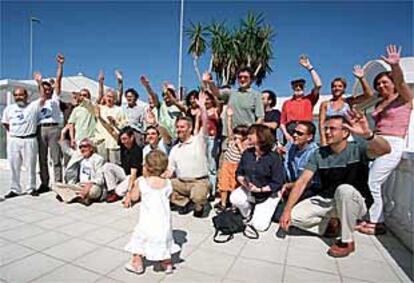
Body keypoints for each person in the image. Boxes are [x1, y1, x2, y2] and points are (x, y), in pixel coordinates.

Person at [279, 110, 391, 257]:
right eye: (325, 128)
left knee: (344, 190)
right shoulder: (319, 153)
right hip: (328, 200)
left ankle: (347, 241)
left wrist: (368, 135)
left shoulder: (358, 149)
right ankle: (331, 225)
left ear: (345, 133)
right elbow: (302, 182)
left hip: (355, 201)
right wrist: (287, 211)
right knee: (293, 217)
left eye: (332, 129)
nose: (327, 132)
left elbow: (385, 150)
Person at [357, 45, 413, 235]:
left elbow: (401, 81)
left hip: (393, 144)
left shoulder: (404, 98)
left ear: (392, 82)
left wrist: (395, 66)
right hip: (377, 143)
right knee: (372, 181)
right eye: (378, 84)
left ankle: (377, 224)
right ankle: (372, 217)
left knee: (374, 182)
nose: (381, 86)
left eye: (384, 82)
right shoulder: (381, 103)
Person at [124, 150, 180, 275]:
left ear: (147, 167)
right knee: (163, 242)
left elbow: (134, 197)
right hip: (163, 222)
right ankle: (167, 264)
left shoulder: (142, 182)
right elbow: (170, 198)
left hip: (147, 222)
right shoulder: (168, 183)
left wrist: (131, 189)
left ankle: (137, 264)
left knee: (138, 240)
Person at [230, 124, 285, 232]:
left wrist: (260, 189)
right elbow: (239, 173)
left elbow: (277, 182)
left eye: (252, 133)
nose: (248, 135)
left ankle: (270, 208)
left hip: (268, 193)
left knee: (259, 226)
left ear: (261, 137)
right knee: (235, 198)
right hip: (250, 189)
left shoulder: (273, 158)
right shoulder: (247, 153)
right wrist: (245, 183)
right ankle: (248, 213)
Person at [165, 92, 210, 218]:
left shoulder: (199, 140)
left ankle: (198, 205)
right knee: (164, 185)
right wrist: (159, 178)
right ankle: (183, 202)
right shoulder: (174, 149)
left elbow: (205, 123)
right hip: (181, 182)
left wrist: (203, 108)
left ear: (190, 128)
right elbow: (170, 170)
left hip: (199, 182)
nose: (179, 129)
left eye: (182, 127)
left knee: (198, 196)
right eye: (177, 127)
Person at [2, 83, 46, 198]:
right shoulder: (9, 109)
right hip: (14, 140)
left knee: (31, 165)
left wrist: (39, 82)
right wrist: (16, 133)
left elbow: (43, 96)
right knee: (14, 166)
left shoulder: (33, 106)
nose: (18, 97)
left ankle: (31, 188)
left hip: (29, 140)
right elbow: (6, 124)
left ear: (26, 96)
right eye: (16, 95)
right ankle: (15, 189)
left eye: (21, 95)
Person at [318, 66, 372, 146]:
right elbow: (321, 123)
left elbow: (369, 95)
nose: (336, 88)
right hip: (330, 136)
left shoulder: (349, 101)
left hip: (346, 137)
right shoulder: (325, 104)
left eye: (340, 86)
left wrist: (361, 78)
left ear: (344, 89)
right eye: (334, 86)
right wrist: (323, 140)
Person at [37, 54, 65, 193]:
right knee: (42, 158)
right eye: (44, 88)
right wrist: (39, 81)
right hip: (41, 129)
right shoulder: (39, 101)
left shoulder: (55, 98)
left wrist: (60, 65)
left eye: (48, 88)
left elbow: (58, 80)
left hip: (54, 129)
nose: (47, 90)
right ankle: (44, 183)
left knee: (56, 158)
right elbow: (40, 89)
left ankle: (59, 184)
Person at [280, 55, 322, 143]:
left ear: (304, 88)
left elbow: (318, 85)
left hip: (306, 128)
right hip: (290, 130)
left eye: (301, 86)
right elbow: (282, 122)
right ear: (292, 88)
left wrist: (309, 68)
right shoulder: (287, 103)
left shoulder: (310, 99)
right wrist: (286, 135)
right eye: (296, 86)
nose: (298, 88)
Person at [216, 106, 249, 212]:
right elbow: (229, 129)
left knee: (235, 186)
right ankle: (223, 203)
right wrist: (229, 117)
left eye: (240, 134)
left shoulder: (246, 144)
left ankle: (235, 206)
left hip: (237, 166)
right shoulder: (232, 139)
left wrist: (239, 145)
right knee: (224, 184)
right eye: (236, 133)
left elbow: (244, 155)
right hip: (227, 164)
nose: (237, 135)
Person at [53, 138, 106, 205]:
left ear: (91, 148)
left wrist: (89, 185)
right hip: (79, 185)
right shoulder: (79, 156)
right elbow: (66, 150)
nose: (82, 149)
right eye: (80, 147)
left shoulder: (98, 159)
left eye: (85, 146)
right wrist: (63, 134)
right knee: (55, 185)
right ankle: (80, 197)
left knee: (93, 191)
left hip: (92, 186)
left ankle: (73, 196)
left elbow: (100, 179)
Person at [102, 127, 143, 203]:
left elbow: (133, 174)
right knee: (107, 166)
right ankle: (112, 191)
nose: (123, 141)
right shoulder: (124, 145)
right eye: (122, 139)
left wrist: (129, 193)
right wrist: (110, 124)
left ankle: (117, 193)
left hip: (134, 177)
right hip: (124, 172)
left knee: (119, 191)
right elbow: (112, 132)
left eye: (125, 139)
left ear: (132, 138)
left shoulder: (136, 151)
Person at [95, 71, 128, 164]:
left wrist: (116, 123)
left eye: (112, 97)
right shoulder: (99, 108)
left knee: (115, 166)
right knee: (101, 165)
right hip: (102, 141)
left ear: (115, 99)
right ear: (104, 97)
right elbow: (98, 97)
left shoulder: (119, 110)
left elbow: (124, 124)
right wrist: (100, 83)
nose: (109, 98)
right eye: (108, 96)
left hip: (114, 142)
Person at [282, 121, 320, 200]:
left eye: (300, 133)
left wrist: (288, 186)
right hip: (290, 186)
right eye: (294, 132)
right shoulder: (290, 147)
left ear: (309, 137)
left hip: (309, 190)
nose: (295, 135)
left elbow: (310, 182)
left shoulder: (314, 153)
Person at [140, 76, 185, 140]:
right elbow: (154, 96)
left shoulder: (179, 106)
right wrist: (147, 86)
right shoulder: (160, 106)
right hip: (163, 138)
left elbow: (184, 109)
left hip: (177, 138)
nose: (166, 96)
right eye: (164, 95)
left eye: (168, 94)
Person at [116, 70, 148, 146]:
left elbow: (144, 124)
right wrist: (120, 83)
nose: (129, 98)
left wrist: (144, 135)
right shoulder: (123, 108)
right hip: (124, 134)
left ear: (136, 98)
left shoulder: (141, 109)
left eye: (131, 97)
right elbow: (118, 98)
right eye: (127, 97)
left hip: (136, 134)